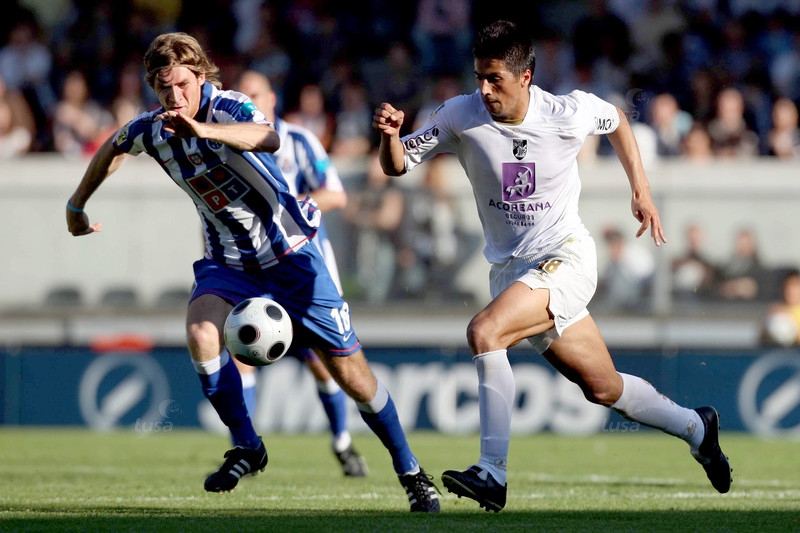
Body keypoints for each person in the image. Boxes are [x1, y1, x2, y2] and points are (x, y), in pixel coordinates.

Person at [66, 33, 439, 513]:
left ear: (201, 76)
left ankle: (410, 471)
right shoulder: (153, 129)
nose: (174, 96)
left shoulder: (229, 106)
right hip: (228, 261)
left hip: (291, 256)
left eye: (182, 84)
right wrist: (77, 205)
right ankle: (247, 446)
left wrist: (204, 132)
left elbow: (269, 137)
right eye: (163, 88)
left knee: (353, 376)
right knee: (201, 332)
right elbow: (114, 147)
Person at [373, 20, 731, 512]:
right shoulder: (459, 114)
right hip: (514, 272)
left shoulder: (566, 111)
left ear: (525, 76)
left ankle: (492, 471)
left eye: (495, 79)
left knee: (485, 332)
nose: (484, 89)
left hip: (566, 258)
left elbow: (617, 120)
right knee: (603, 387)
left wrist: (641, 190)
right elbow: (397, 165)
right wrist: (390, 137)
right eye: (479, 77)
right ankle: (697, 427)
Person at [234, 69, 367, 477]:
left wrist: (285, 207)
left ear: (272, 98)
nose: (249, 102)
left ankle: (342, 441)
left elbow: (336, 195)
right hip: (255, 266)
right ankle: (245, 448)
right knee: (243, 350)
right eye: (242, 95)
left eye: (256, 94)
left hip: (304, 267)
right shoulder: (228, 143)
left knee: (322, 360)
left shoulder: (298, 140)